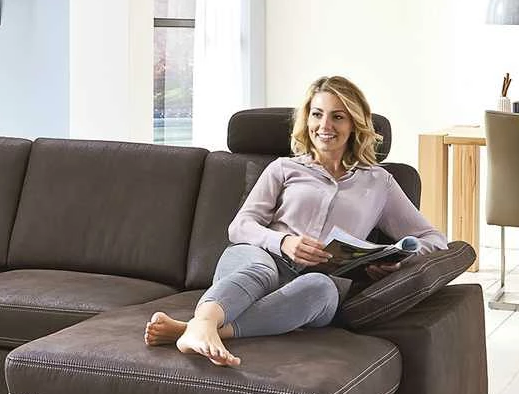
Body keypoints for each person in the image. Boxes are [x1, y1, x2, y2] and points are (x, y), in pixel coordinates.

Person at [145, 75, 448, 367]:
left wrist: (397, 260)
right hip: (257, 258)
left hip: (312, 285)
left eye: (338, 117)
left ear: (355, 123)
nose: (324, 126)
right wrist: (283, 242)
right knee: (261, 269)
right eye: (317, 114)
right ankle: (204, 323)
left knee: (322, 288)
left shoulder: (379, 183)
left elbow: (434, 240)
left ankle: (193, 330)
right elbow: (240, 226)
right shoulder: (284, 168)